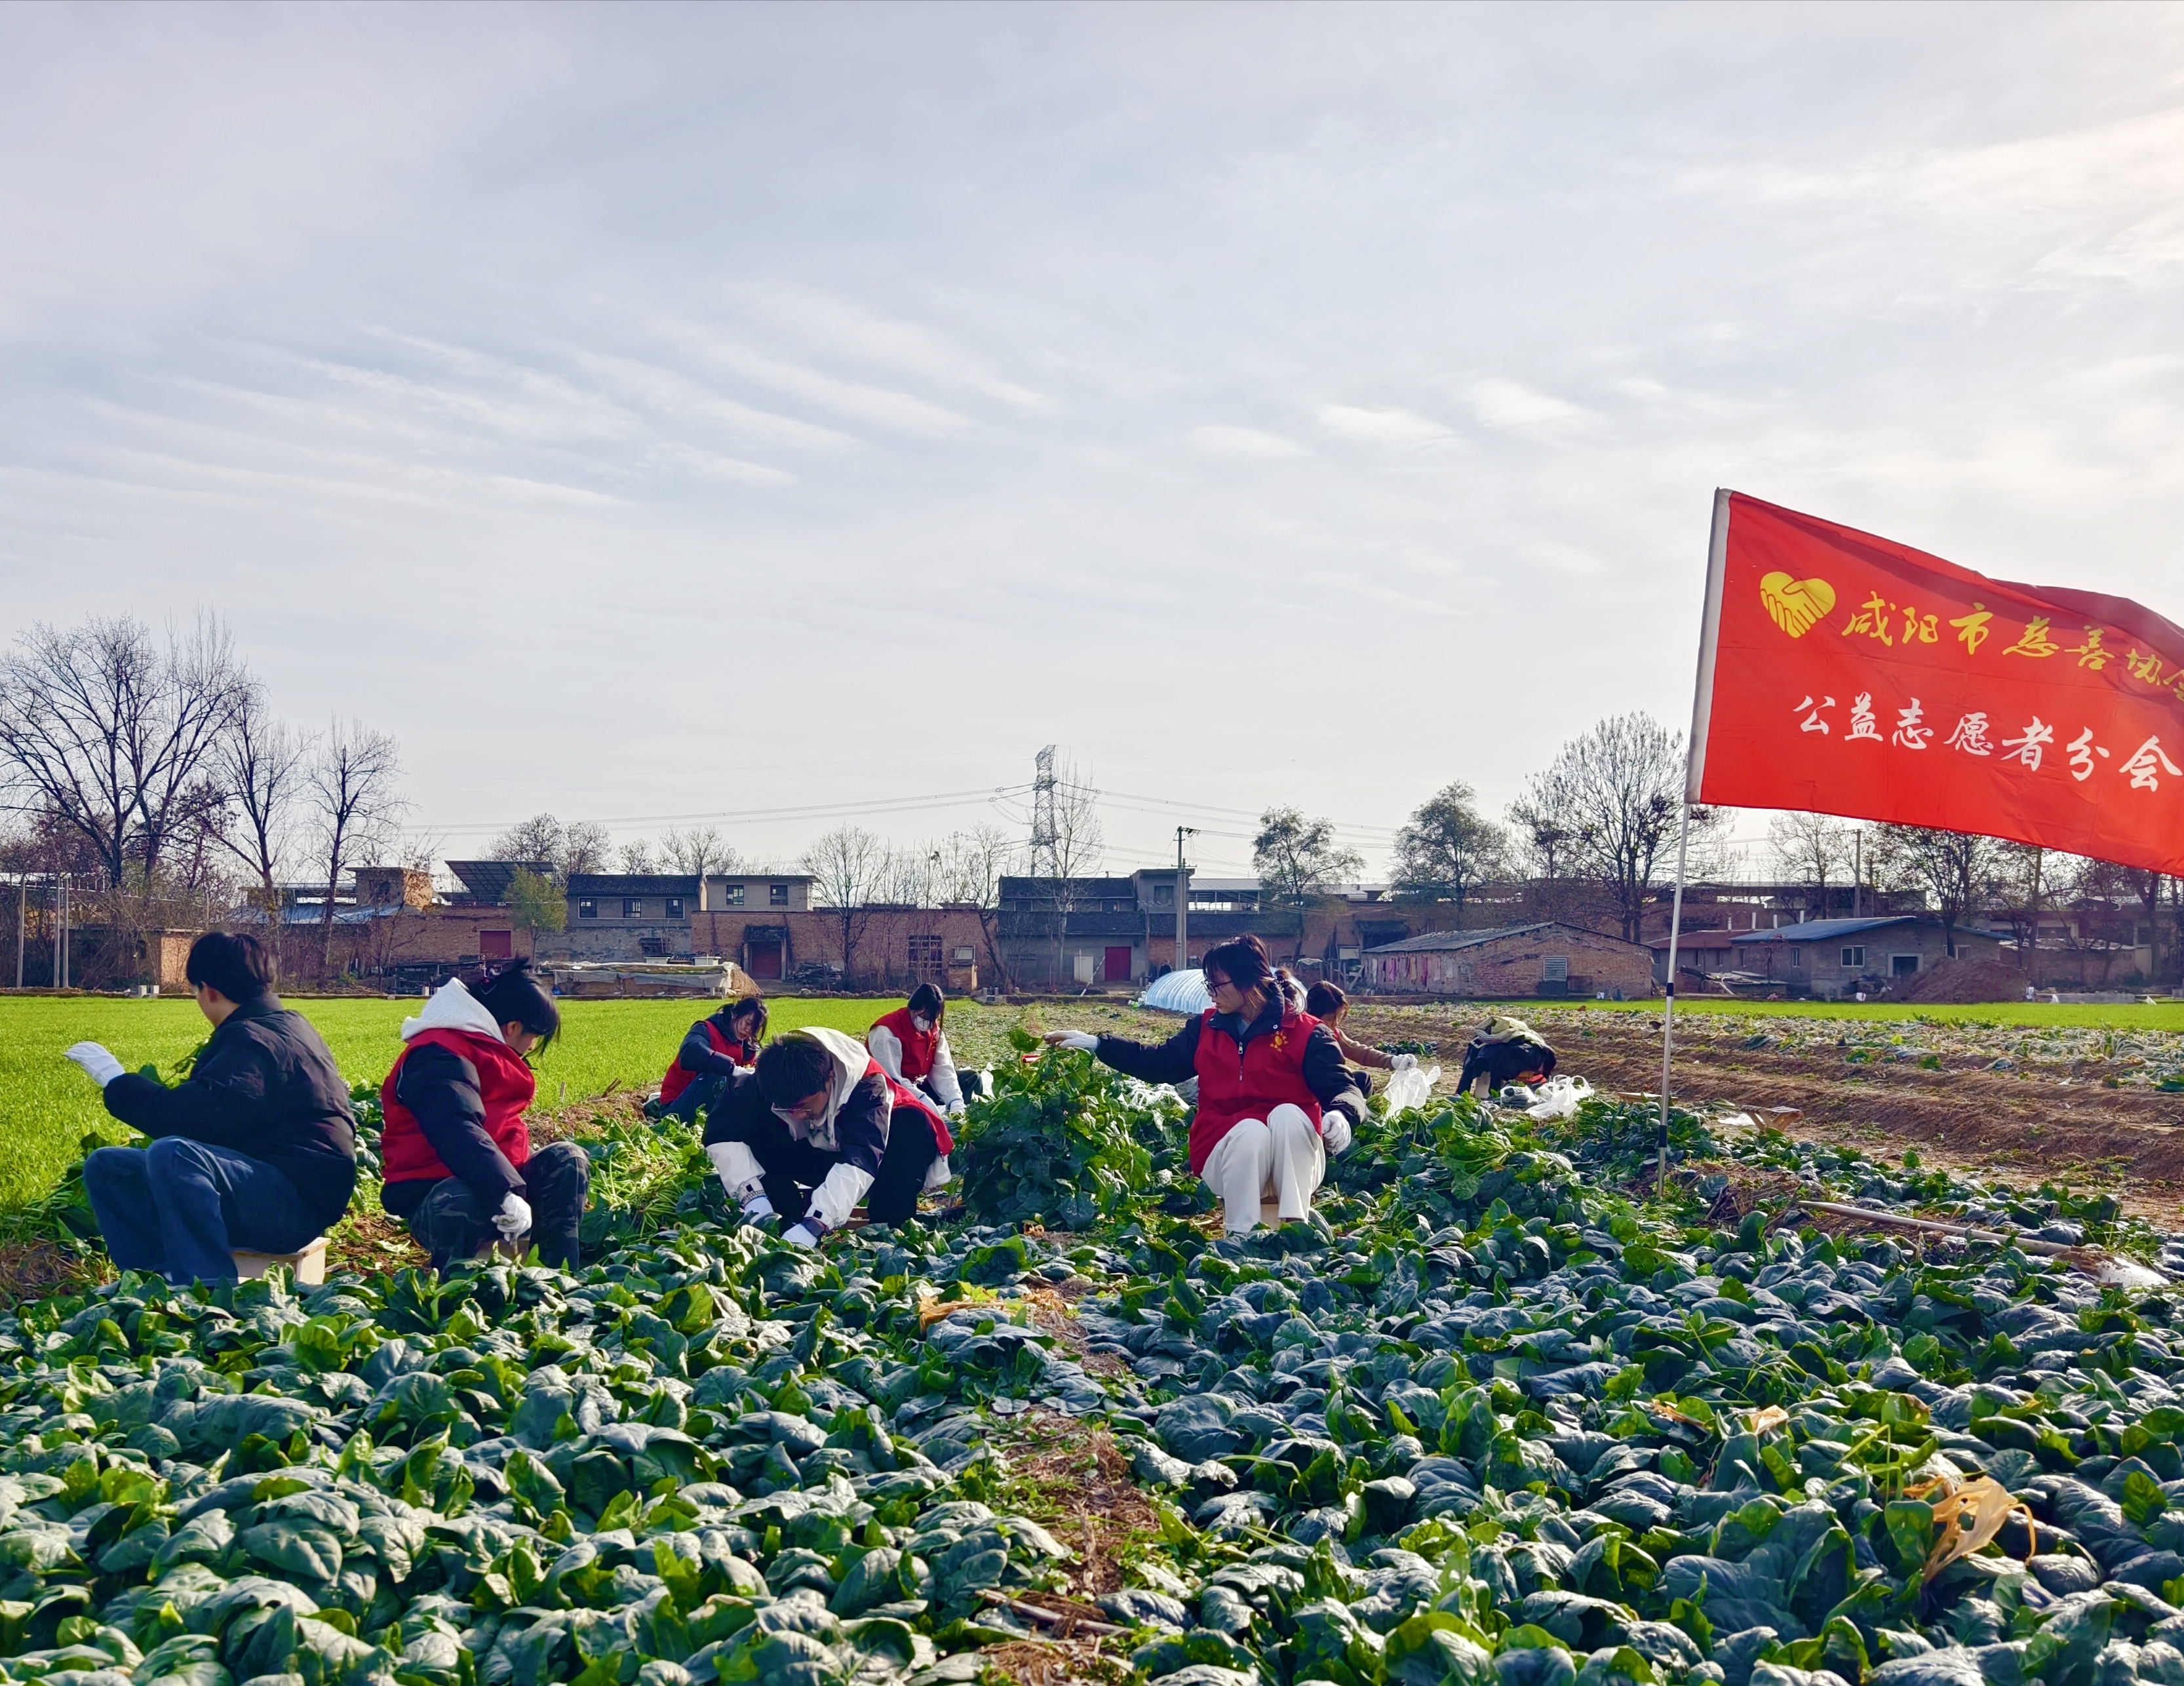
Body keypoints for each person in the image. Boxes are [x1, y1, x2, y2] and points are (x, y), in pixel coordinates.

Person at [63, 931, 357, 1285]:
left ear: (210, 990)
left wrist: (116, 1080)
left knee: (174, 1154)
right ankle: (149, 1280)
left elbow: (192, 1120)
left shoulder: (253, 1039)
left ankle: (204, 1289)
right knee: (108, 1166)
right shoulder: (281, 1026)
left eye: (196, 991)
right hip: (272, 1189)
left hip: (293, 1208)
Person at [1044, 934, 1365, 1237]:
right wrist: (1099, 1044)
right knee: (1250, 1131)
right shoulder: (1206, 1028)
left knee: (1289, 1115)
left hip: (1292, 1159)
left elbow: (1342, 1087)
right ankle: (1240, 1236)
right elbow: (1159, 1062)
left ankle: (1296, 1228)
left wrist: (1343, 1115)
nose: (1210, 991)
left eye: (1217, 983)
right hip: (1225, 1152)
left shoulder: (1307, 1033)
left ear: (1249, 981)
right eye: (1207, 982)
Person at [379, 961, 590, 1273]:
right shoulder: (438, 1053)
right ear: (513, 1027)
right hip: (438, 1191)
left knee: (568, 1160)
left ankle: (556, 1279)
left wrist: (511, 1189)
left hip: (498, 1184)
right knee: (463, 1199)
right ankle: (463, 1293)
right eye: (533, 1037)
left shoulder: (485, 1049)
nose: (531, 1047)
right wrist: (505, 1191)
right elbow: (456, 1128)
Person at [703, 1027, 952, 1245]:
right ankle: (782, 1216)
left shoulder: (867, 1086)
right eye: (789, 1109)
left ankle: (888, 1228)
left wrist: (816, 1223)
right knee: (756, 1126)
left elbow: (861, 1158)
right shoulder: (769, 1077)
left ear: (829, 1080)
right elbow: (720, 1132)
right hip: (811, 1154)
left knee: (913, 1126)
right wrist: (753, 1197)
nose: (798, 1116)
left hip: (873, 1163)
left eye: (804, 1106)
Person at [658, 996, 768, 1122]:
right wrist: (733, 1069)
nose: (748, 1030)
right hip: (675, 1109)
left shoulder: (748, 1048)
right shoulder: (705, 1030)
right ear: (735, 1014)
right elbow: (690, 1052)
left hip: (715, 1109)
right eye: (747, 1023)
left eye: (754, 1028)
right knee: (717, 1078)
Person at [1302, 979, 1424, 1091]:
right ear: (1313, 1013)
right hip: (1307, 1089)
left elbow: (1360, 1052)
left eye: (1339, 1017)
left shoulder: (1333, 1034)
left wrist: (1392, 1061)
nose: (1337, 1023)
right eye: (1331, 1018)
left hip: (1330, 1084)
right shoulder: (1301, 1034)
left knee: (1362, 1078)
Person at [867, 984, 967, 1114]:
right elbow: (892, 1079)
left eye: (934, 1019)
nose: (930, 1024)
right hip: (889, 1092)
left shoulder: (933, 1030)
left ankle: (952, 1111)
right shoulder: (886, 1032)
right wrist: (921, 1098)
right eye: (925, 1018)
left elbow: (943, 1068)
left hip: (917, 1084)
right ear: (913, 1009)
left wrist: (955, 1100)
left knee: (970, 1079)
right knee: (912, 1115)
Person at [1457, 1015, 1557, 1095]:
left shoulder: (1517, 1048)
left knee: (1491, 1075)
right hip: (1528, 1054)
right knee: (1489, 1075)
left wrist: (1461, 1092)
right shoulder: (1492, 1046)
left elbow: (1470, 1070)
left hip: (1525, 1054)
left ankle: (1488, 1094)